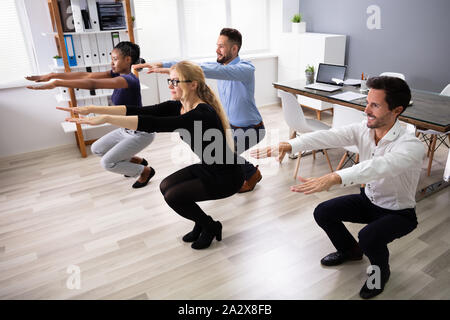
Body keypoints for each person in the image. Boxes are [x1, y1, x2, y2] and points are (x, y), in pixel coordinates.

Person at [251, 76, 426, 299]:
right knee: (323, 212)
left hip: (398, 212)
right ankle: (350, 251)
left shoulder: (411, 146)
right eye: (367, 102)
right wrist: (291, 144)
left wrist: (334, 177)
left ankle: (380, 274)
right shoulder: (364, 129)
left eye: (375, 105)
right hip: (368, 200)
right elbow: (329, 136)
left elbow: (378, 167)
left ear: (397, 110)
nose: (366, 110)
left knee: (369, 237)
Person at [59, 61, 245, 250]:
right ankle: (201, 221)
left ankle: (210, 226)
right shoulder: (179, 106)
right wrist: (94, 109)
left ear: (193, 84)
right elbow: (139, 111)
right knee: (165, 186)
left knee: (174, 196)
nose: (171, 86)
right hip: (209, 167)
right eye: (169, 81)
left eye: (175, 81)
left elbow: (152, 122)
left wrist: (106, 119)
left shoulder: (201, 113)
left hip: (227, 177)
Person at [134, 28, 264, 193]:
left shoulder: (245, 68)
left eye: (221, 46)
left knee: (224, 155)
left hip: (252, 128)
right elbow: (197, 66)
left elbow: (209, 70)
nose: (217, 50)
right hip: (230, 126)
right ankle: (237, 175)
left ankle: (252, 174)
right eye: (217, 45)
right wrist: (165, 65)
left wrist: (174, 68)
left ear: (234, 49)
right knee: (216, 153)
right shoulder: (220, 67)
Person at [26, 42, 155, 188]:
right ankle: (135, 161)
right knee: (97, 149)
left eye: (115, 59)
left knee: (107, 163)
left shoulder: (127, 80)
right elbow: (86, 75)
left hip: (141, 132)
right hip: (126, 129)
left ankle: (145, 171)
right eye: (111, 58)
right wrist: (53, 75)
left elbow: (93, 83)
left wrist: (57, 83)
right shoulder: (117, 74)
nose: (111, 63)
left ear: (127, 60)